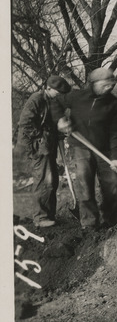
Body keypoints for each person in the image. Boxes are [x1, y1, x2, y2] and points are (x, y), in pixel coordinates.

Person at [54, 67, 117, 230]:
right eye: (106, 84)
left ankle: (111, 221)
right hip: (81, 147)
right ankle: (89, 223)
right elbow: (55, 102)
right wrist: (61, 119)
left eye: (111, 84)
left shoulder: (114, 104)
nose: (110, 87)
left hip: (105, 150)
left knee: (113, 184)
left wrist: (115, 157)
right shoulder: (77, 96)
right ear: (93, 83)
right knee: (85, 185)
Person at [14, 75, 72, 227]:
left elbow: (51, 122)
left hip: (48, 145)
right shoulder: (36, 99)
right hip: (37, 147)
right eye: (58, 93)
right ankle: (40, 218)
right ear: (48, 88)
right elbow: (25, 124)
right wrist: (41, 136)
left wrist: (57, 131)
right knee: (44, 181)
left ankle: (49, 215)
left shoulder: (52, 101)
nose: (60, 96)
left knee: (53, 181)